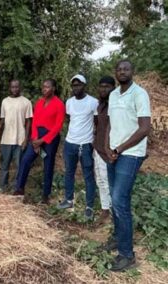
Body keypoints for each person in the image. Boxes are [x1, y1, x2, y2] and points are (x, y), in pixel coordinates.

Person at [102, 60, 151, 271]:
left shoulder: (140, 94)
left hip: (130, 154)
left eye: (126, 69)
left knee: (120, 200)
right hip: (112, 153)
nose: (122, 71)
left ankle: (127, 255)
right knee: (116, 199)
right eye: (119, 69)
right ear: (116, 72)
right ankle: (117, 237)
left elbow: (144, 129)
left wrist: (119, 149)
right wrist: (106, 147)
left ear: (133, 72)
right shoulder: (113, 95)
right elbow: (110, 124)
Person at [14, 79, 65, 204]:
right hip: (36, 136)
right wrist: (35, 139)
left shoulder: (59, 104)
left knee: (48, 165)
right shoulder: (39, 102)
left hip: (50, 138)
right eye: (43, 87)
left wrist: (43, 140)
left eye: (47, 87)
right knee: (25, 160)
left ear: (53, 88)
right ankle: (19, 189)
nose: (44, 89)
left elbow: (58, 126)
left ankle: (45, 195)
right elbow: (35, 121)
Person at [57, 74, 98, 220]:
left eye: (79, 85)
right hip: (70, 143)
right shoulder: (69, 102)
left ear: (84, 86)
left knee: (88, 175)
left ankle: (89, 206)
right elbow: (70, 119)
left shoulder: (93, 102)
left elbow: (97, 122)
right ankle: (69, 200)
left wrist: (94, 139)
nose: (76, 87)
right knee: (69, 172)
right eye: (74, 85)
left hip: (85, 145)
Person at [0, 79, 32, 192]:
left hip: (20, 139)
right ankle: (3, 186)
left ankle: (16, 186)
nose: (14, 89)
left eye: (17, 87)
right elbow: (3, 118)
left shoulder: (26, 102)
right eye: (12, 87)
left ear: (20, 87)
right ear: (10, 88)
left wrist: (26, 139)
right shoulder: (5, 101)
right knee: (5, 165)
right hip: (6, 139)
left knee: (18, 165)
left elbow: (28, 122)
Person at [94, 76, 115, 224]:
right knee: (100, 180)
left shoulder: (115, 105)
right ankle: (105, 208)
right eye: (101, 86)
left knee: (108, 180)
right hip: (98, 147)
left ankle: (113, 211)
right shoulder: (100, 105)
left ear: (113, 88)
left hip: (110, 149)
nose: (103, 89)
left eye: (107, 86)